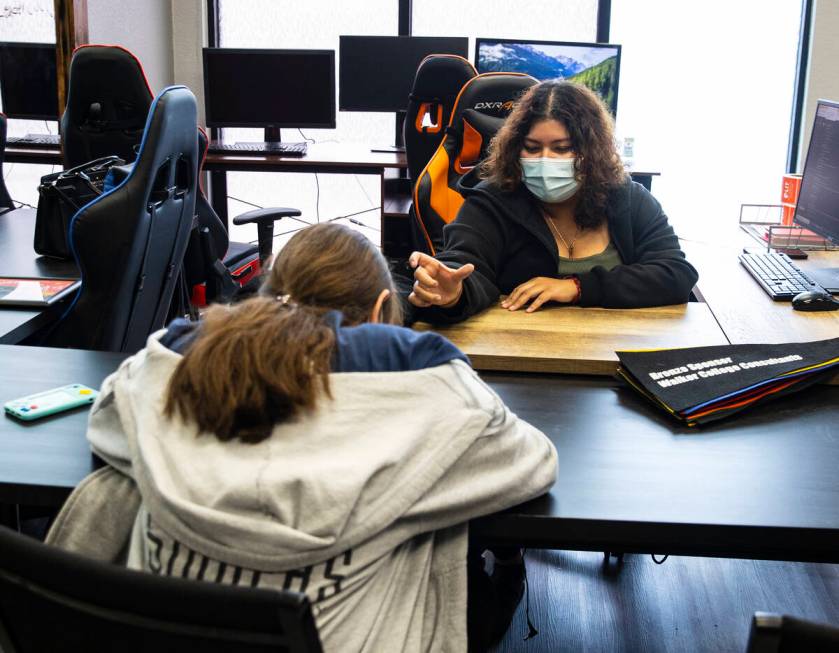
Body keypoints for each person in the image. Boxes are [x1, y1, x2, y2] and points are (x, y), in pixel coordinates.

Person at [70, 223, 557, 653]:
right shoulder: (424, 389)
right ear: (382, 307)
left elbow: (108, 426)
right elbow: (532, 464)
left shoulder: (161, 372)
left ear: (265, 295)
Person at [408, 81, 699, 323]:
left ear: (591, 151)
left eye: (562, 149)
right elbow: (466, 266)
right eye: (532, 148)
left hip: (618, 355)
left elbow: (676, 273)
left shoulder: (629, 198)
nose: (546, 160)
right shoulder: (492, 201)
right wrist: (452, 293)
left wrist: (577, 288)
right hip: (519, 358)